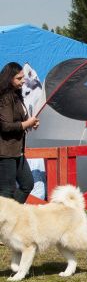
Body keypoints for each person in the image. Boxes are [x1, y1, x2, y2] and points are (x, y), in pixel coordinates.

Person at [0, 62, 40, 203]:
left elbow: (20, 120)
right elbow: (5, 126)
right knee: (6, 191)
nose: (23, 80)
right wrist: (26, 124)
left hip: (17, 151)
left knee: (27, 184)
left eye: (23, 77)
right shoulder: (5, 98)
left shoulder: (17, 95)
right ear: (9, 79)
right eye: (19, 78)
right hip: (5, 152)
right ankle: (5, 221)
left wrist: (31, 123)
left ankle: (11, 216)